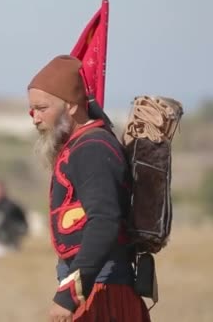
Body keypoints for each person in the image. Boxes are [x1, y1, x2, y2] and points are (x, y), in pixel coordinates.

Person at [27, 55, 151, 322]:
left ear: (71, 106)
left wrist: (68, 295)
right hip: (93, 286)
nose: (35, 118)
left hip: (104, 293)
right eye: (32, 110)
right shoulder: (82, 144)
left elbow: (104, 221)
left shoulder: (92, 148)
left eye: (41, 108)